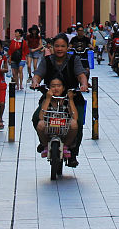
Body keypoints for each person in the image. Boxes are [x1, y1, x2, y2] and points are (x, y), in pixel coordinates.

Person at [30, 34, 90, 166]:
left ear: (68, 47)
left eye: (63, 46)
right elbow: (38, 74)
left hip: (72, 98)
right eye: (57, 46)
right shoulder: (47, 60)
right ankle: (44, 142)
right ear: (52, 47)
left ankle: (73, 152)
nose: (59, 49)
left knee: (78, 122)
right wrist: (35, 82)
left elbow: (81, 75)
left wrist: (83, 85)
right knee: (36, 118)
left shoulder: (74, 60)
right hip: (50, 98)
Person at [35, 76, 79, 155]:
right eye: (53, 86)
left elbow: (75, 117)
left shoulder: (66, 100)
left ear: (63, 88)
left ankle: (66, 146)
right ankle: (45, 146)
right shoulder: (46, 100)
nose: (56, 89)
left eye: (59, 86)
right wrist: (48, 99)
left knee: (74, 124)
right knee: (40, 124)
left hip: (64, 127)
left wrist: (71, 99)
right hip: (50, 126)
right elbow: (41, 117)